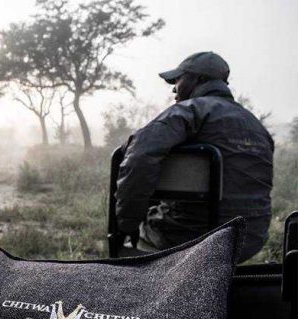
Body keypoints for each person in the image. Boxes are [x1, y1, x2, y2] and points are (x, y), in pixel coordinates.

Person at [116, 51, 274, 261]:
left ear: (199, 80)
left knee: (142, 231)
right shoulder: (256, 125)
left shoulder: (188, 111)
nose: (174, 88)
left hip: (191, 236)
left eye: (178, 79)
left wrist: (127, 224)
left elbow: (139, 154)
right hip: (248, 238)